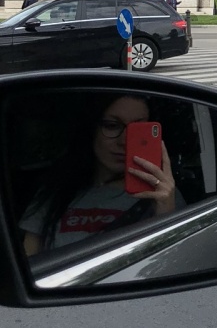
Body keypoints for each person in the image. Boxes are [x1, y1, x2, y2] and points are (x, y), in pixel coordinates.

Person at [21, 94, 178, 255]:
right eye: (112, 126)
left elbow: (177, 260)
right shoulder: (55, 192)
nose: (124, 141)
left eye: (137, 131)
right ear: (91, 130)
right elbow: (29, 265)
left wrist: (166, 213)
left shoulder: (163, 193)